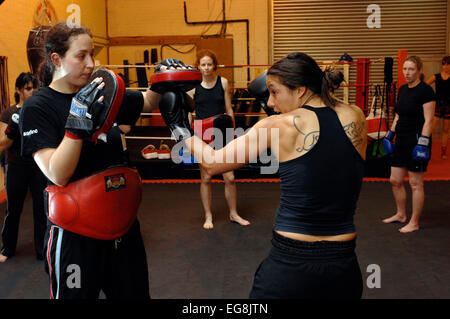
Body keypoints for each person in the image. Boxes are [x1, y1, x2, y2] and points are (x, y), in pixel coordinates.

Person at [159, 52, 368, 298]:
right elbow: (322, 157)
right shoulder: (356, 115)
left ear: (300, 90)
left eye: (275, 92)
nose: (269, 102)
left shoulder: (276, 126)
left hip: (291, 266)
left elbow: (211, 164)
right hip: (344, 268)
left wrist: (178, 126)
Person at [19, 22, 162, 299]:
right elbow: (57, 173)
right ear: (56, 59)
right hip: (75, 236)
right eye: (81, 56)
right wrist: (76, 121)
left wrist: (164, 79)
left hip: (123, 228)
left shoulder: (103, 92)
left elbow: (147, 102)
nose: (90, 64)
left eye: (92, 54)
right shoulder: (38, 107)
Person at [187, 50, 249, 229]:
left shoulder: (223, 82)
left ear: (214, 65)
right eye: (203, 64)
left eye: (209, 64)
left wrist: (234, 133)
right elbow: (189, 114)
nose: (206, 68)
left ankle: (233, 213)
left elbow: (229, 109)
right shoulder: (192, 87)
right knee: (206, 178)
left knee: (229, 177)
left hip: (222, 132)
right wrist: (188, 136)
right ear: (198, 66)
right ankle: (208, 216)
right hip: (202, 134)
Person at [382, 56, 436, 233]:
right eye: (405, 69)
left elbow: (429, 120)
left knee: (415, 183)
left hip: (417, 140)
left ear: (419, 70)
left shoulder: (426, 91)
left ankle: (414, 221)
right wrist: (390, 135)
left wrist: (423, 143)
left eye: (411, 69)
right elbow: (398, 116)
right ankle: (401, 214)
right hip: (402, 140)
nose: (407, 73)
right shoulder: (402, 89)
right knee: (395, 180)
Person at [0, 72, 47, 263]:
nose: (32, 92)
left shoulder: (39, 110)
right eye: (28, 89)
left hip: (37, 165)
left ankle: (41, 250)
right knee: (13, 209)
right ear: (19, 90)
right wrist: (12, 126)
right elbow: (3, 143)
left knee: (40, 209)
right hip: (17, 166)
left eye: (34, 89)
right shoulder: (8, 113)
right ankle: (7, 249)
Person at [426, 55, 450, 160]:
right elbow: (425, 86)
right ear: (442, 66)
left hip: (449, 106)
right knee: (431, 128)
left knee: (445, 129)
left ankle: (443, 152)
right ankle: (426, 149)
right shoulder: (436, 76)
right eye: (444, 64)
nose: (446, 67)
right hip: (438, 105)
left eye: (448, 64)